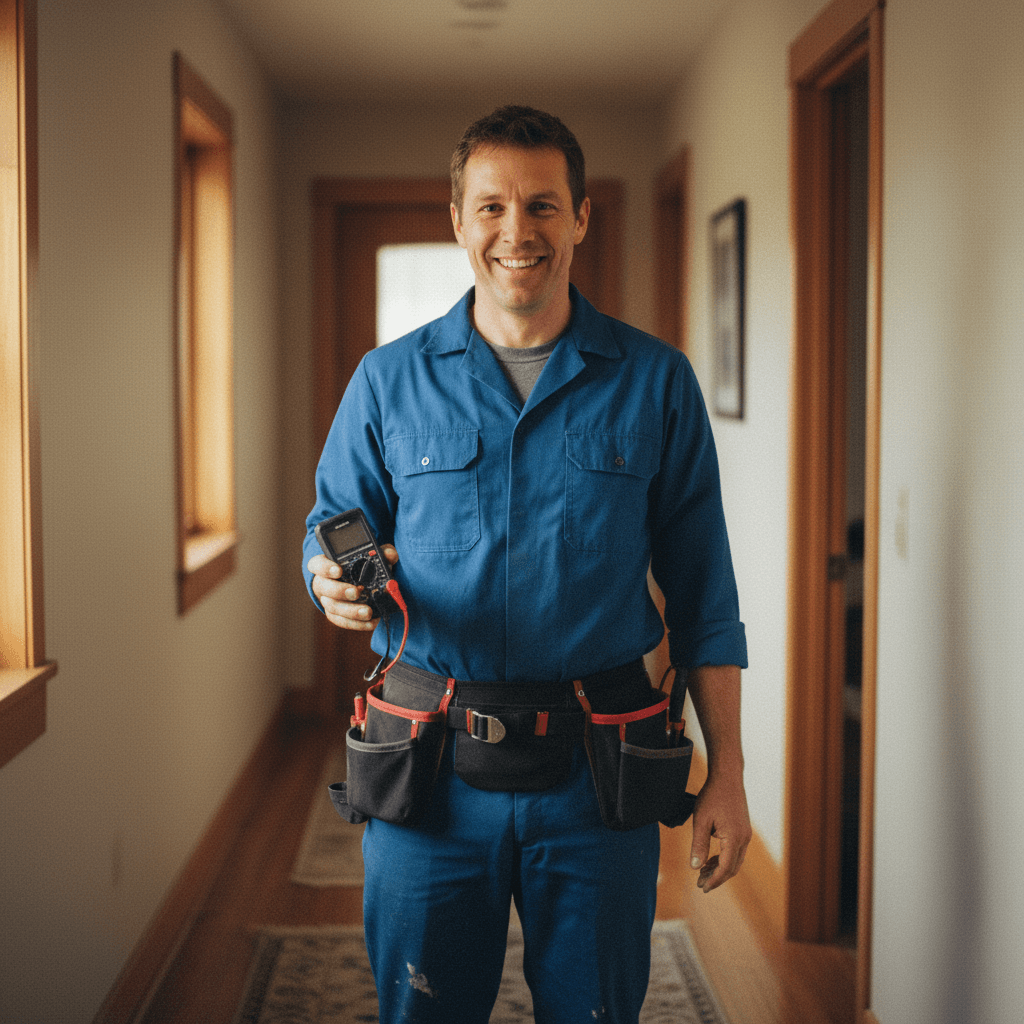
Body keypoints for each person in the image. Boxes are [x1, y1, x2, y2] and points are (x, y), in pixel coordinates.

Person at [304, 105, 750, 1024]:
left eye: (544, 206)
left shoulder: (656, 381)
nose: (519, 232)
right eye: (494, 206)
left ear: (581, 217)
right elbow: (331, 526)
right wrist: (325, 574)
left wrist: (731, 773)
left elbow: (707, 595)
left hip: (601, 776)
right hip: (427, 777)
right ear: (459, 219)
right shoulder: (386, 380)